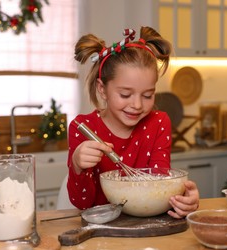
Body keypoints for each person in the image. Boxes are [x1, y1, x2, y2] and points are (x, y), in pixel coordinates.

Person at [67, 26, 199, 218]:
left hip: (148, 232)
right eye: (125, 94)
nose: (137, 105)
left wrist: (185, 200)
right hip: (101, 235)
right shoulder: (84, 128)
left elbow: (160, 188)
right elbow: (82, 203)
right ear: (102, 89)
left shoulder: (159, 123)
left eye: (147, 95)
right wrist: (77, 165)